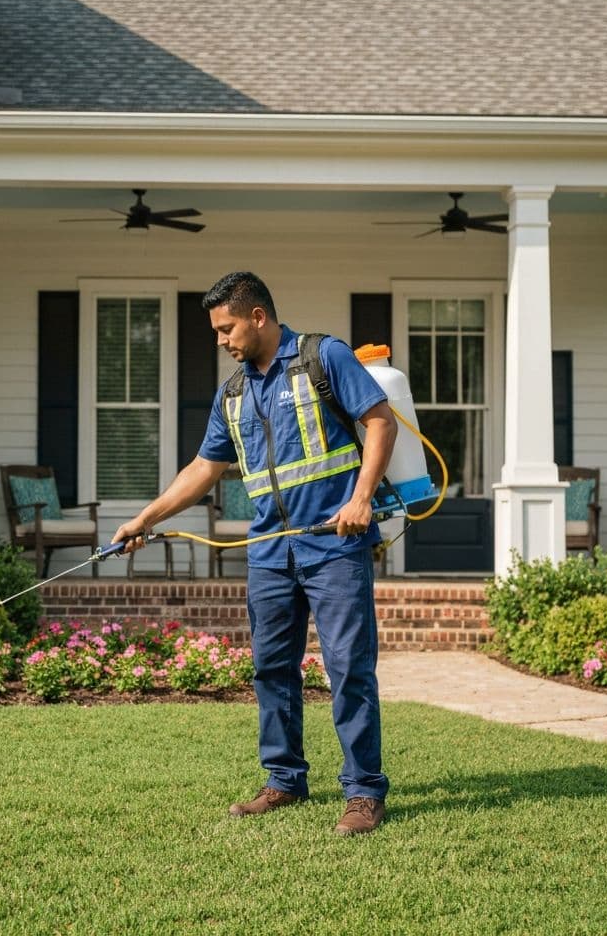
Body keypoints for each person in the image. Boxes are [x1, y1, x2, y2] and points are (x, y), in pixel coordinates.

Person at [112, 271, 396, 835]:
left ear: (258, 317)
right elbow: (203, 468)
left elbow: (379, 420)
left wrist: (362, 498)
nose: (221, 341)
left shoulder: (323, 357)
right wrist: (145, 519)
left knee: (347, 668)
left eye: (227, 328)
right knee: (271, 670)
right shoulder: (233, 393)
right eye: (217, 332)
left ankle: (364, 792)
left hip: (335, 546)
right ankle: (284, 779)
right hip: (269, 552)